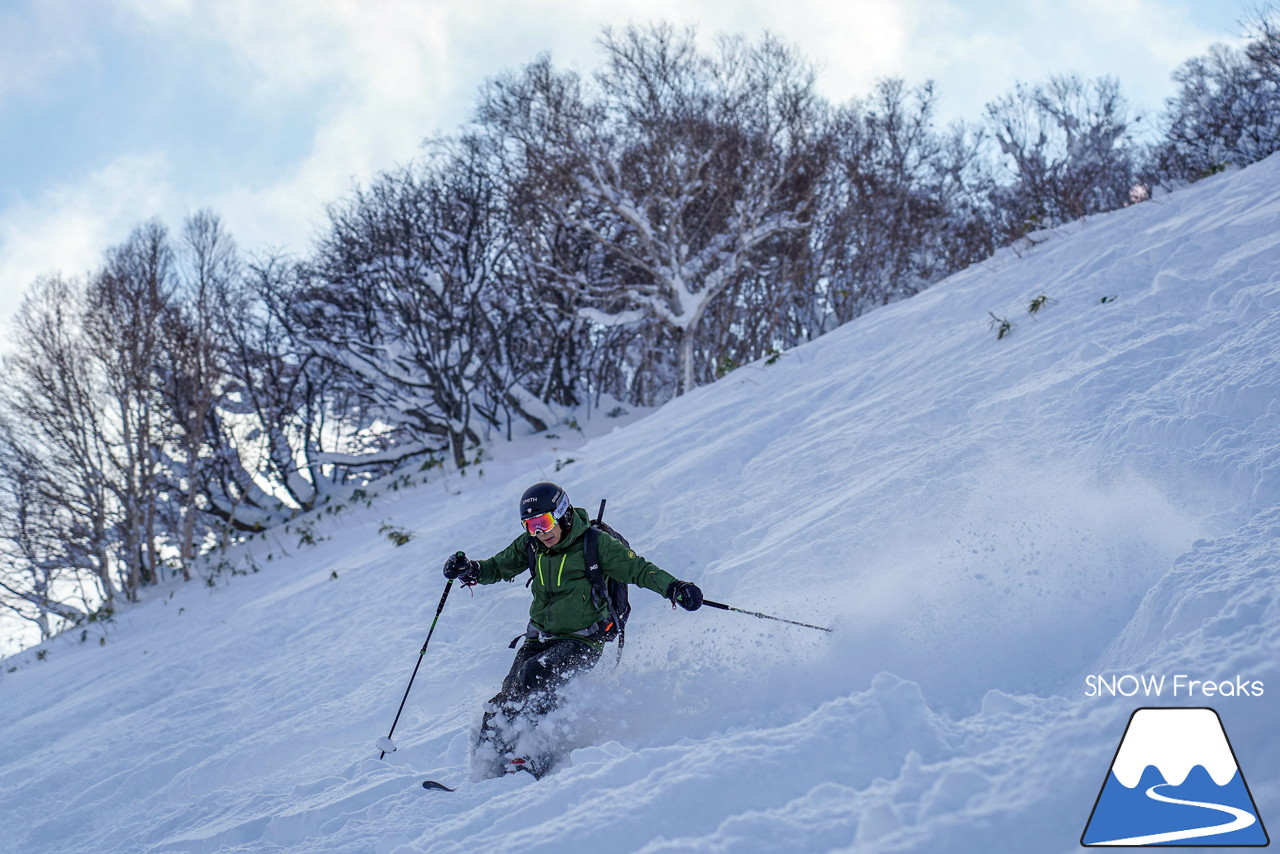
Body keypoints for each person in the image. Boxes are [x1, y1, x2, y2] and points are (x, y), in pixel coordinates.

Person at [443, 481, 703, 779]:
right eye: (530, 526)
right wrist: (470, 570)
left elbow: (639, 570)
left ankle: (535, 755)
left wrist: (674, 588)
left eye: (543, 522)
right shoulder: (532, 545)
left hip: (583, 640)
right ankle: (488, 766)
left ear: (563, 513)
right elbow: (498, 567)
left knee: (536, 677)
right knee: (508, 696)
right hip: (540, 636)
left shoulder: (595, 544)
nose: (539, 532)